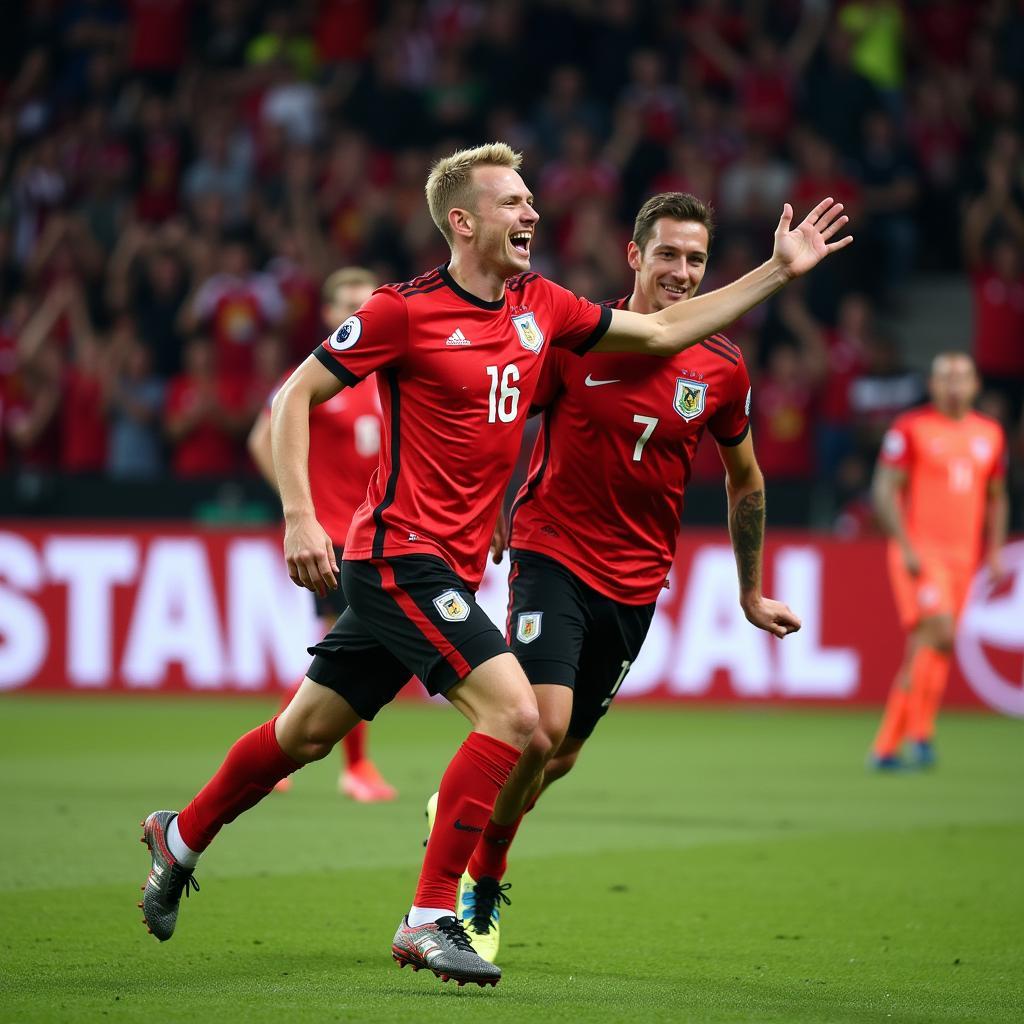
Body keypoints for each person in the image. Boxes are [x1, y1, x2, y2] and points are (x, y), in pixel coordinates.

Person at [138, 142, 850, 987]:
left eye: (530, 200)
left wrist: (777, 270)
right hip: (399, 551)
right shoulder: (402, 312)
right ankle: (431, 916)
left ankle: (178, 836)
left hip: (451, 563)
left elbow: (659, 330)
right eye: (513, 203)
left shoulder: (542, 307)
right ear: (463, 222)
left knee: (306, 734)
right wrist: (300, 515)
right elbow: (295, 394)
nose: (532, 214)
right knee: (520, 720)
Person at [440, 192, 801, 962]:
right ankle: (480, 878)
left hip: (637, 582)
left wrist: (748, 590)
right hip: (552, 552)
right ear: (634, 255)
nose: (681, 271)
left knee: (557, 755)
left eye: (696, 259)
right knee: (538, 728)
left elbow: (746, 479)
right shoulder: (576, 338)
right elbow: (507, 415)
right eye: (667, 254)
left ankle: (470, 803)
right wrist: (495, 503)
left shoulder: (723, 367)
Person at [247, 266, 397, 803]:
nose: (359, 314)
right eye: (348, 306)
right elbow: (261, 439)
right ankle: (351, 767)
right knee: (354, 652)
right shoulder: (311, 375)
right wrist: (299, 509)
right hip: (333, 535)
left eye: (367, 303)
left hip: (380, 532)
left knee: (350, 653)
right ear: (330, 315)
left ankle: (276, 749)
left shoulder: (391, 375)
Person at [869, 352, 1007, 770]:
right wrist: (906, 546)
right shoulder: (911, 428)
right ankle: (919, 735)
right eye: (945, 377)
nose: (953, 385)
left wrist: (996, 551)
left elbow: (997, 497)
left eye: (961, 377)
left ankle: (889, 746)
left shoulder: (990, 434)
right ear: (932, 385)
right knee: (940, 632)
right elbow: (883, 489)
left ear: (976, 385)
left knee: (934, 645)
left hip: (963, 557)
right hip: (920, 553)